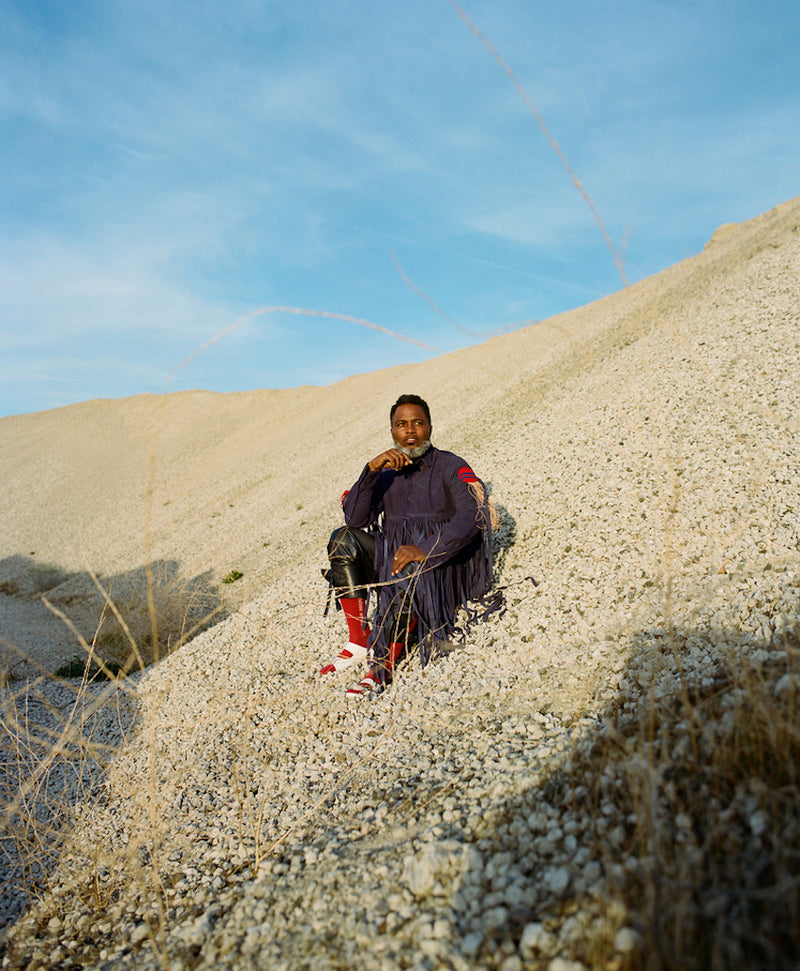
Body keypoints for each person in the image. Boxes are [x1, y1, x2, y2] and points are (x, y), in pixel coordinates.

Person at [321, 393, 495, 697]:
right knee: (343, 539)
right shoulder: (385, 472)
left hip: (438, 562)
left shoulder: (451, 465)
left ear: (430, 427)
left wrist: (425, 548)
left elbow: (472, 516)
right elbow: (355, 518)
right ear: (392, 432)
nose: (410, 431)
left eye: (418, 423)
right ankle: (358, 641)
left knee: (408, 568)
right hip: (393, 557)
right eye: (401, 425)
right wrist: (371, 470)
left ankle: (380, 665)